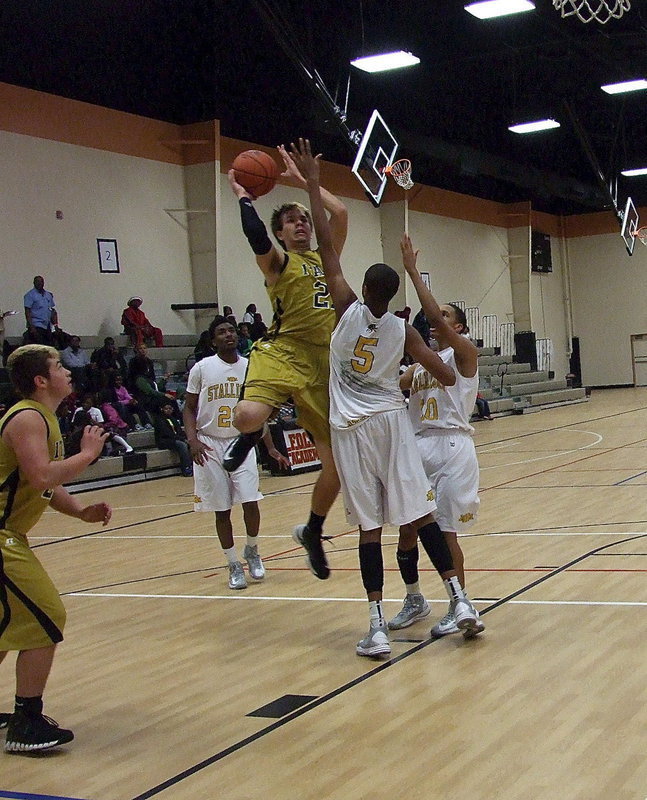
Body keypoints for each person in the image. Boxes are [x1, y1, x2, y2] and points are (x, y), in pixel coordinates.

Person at [293, 139, 480, 658]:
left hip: (353, 430)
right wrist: (439, 361)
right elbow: (445, 374)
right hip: (395, 426)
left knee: (371, 530)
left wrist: (311, 180)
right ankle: (459, 600)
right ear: (393, 297)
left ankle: (376, 625)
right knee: (421, 520)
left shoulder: (345, 307)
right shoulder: (405, 333)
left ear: (363, 290)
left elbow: (327, 244)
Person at [224, 142, 348, 580]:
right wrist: (243, 197)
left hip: (323, 362)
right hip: (282, 352)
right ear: (281, 232)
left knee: (337, 468)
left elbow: (341, 215)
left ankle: (312, 531)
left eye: (304, 219)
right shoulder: (279, 262)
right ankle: (250, 436)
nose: (301, 224)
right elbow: (255, 236)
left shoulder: (325, 257)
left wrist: (305, 182)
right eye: (291, 220)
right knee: (245, 416)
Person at [0, 344, 111, 751]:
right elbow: (42, 474)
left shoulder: (42, 417)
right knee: (46, 614)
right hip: (1, 536)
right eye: (59, 366)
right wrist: (87, 454)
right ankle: (26, 721)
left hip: (11, 534)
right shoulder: (28, 417)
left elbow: (44, 485)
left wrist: (80, 511)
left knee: (4, 628)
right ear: (40, 380)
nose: (68, 371)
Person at [388, 234, 485, 639]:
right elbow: (397, 384)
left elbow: (432, 319)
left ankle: (460, 604)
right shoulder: (421, 365)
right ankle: (414, 598)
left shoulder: (463, 354)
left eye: (444, 316)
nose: (434, 320)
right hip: (416, 448)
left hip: (450, 448)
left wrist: (412, 271)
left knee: (445, 531)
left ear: (458, 326)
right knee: (407, 531)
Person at [183, 316, 289, 589]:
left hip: (241, 441)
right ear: (212, 340)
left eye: (231, 330)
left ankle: (252, 549)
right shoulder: (202, 368)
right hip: (209, 443)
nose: (228, 335)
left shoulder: (250, 367)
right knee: (222, 509)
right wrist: (192, 441)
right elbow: (189, 408)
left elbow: (260, 410)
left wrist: (271, 448)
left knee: (250, 500)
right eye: (221, 332)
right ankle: (232, 563)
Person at [153, 402, 193, 476]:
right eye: (166, 409)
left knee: (191, 443)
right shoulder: (159, 420)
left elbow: (180, 431)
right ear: (162, 409)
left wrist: (186, 438)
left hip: (175, 439)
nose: (168, 410)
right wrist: (182, 439)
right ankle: (186, 468)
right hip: (164, 440)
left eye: (170, 408)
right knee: (182, 445)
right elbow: (167, 433)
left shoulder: (173, 419)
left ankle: (194, 466)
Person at [24, 276, 58, 346]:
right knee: (39, 347)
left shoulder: (48, 295)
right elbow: (27, 312)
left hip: (47, 326)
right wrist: (32, 327)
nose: (40, 283)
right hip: (36, 325)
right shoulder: (30, 295)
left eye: (41, 281)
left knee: (48, 347)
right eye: (37, 281)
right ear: (34, 283)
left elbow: (52, 310)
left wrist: (55, 325)